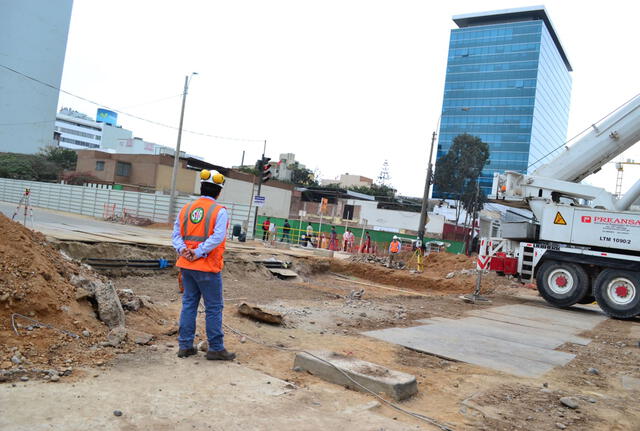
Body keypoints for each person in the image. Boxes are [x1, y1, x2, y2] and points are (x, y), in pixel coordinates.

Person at [172, 169, 235, 361]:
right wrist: (198, 252)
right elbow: (217, 237)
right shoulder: (219, 211)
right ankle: (216, 348)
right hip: (207, 266)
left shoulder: (186, 209)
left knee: (189, 304)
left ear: (201, 188)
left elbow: (175, 235)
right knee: (214, 307)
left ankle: (185, 346)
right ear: (219, 191)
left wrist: (184, 250)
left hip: (187, 266)